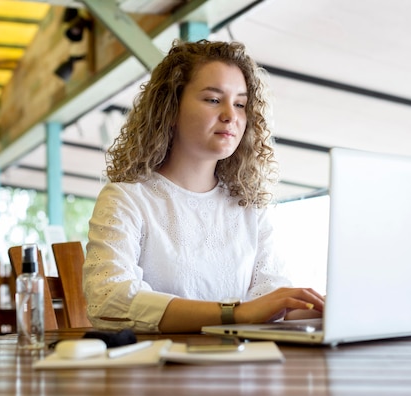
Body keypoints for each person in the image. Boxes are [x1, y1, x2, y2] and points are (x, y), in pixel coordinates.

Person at [83, 39, 324, 333]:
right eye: (213, 99)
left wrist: (324, 309)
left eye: (240, 104)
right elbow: (109, 300)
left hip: (239, 370)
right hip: (157, 370)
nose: (230, 115)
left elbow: (272, 306)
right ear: (170, 109)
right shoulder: (126, 199)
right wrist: (236, 314)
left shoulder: (249, 208)